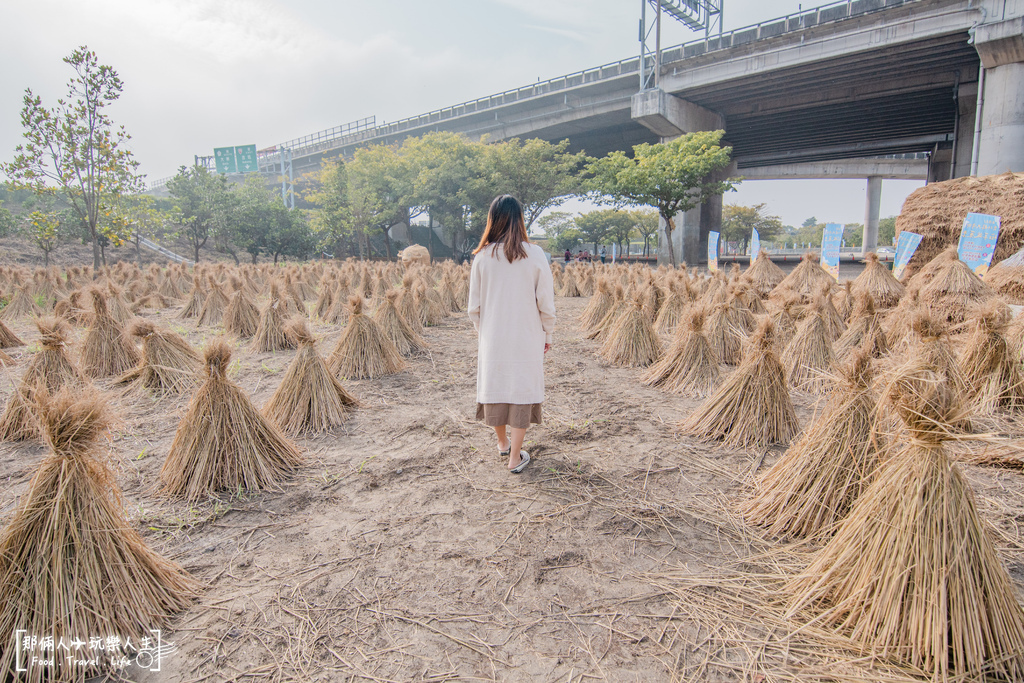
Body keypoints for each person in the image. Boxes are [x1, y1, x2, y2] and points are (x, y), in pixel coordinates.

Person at [468, 195, 556, 474]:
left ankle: (503, 443)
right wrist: (547, 333)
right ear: (520, 219)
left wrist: (486, 334)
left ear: (492, 220)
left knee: (495, 388)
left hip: (492, 338)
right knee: (521, 391)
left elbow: (474, 308)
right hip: (526, 337)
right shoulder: (536, 254)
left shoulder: (481, 257)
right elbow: (546, 303)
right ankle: (514, 457)